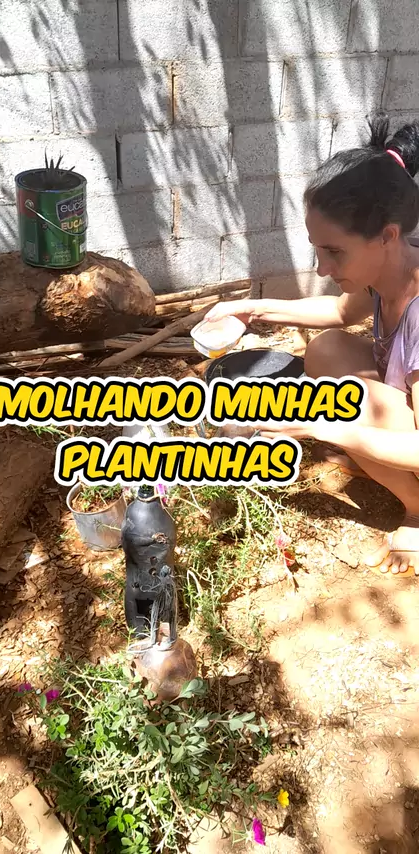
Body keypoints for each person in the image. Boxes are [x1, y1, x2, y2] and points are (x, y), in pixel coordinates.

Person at [205, 113, 419, 577]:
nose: (322, 268)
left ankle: (417, 510)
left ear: (386, 235)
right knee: (326, 350)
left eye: (334, 252)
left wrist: (325, 428)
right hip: (408, 403)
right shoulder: (390, 266)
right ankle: (377, 454)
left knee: (347, 404)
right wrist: (251, 308)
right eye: (318, 249)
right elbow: (340, 314)